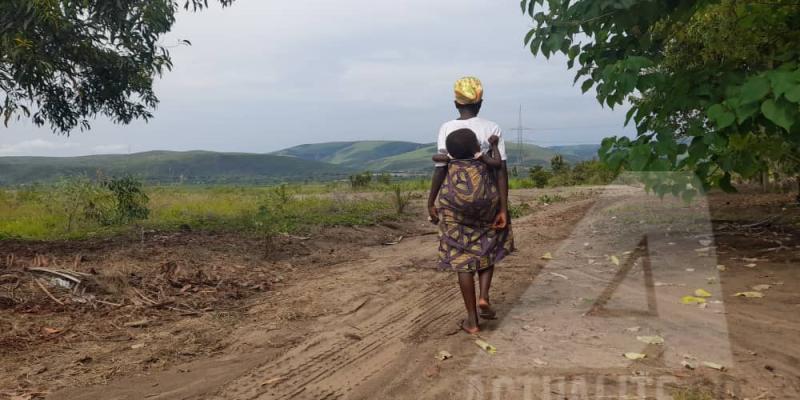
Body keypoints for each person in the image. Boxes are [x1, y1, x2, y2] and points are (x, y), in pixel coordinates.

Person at [427, 76, 513, 334]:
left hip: (455, 203)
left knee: (462, 256)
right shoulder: (492, 128)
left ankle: (472, 320)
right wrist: (503, 208)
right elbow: (501, 171)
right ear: (480, 102)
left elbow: (440, 167)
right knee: (487, 244)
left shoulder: (446, 128)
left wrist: (431, 201)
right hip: (487, 200)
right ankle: (484, 295)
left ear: (456, 103)